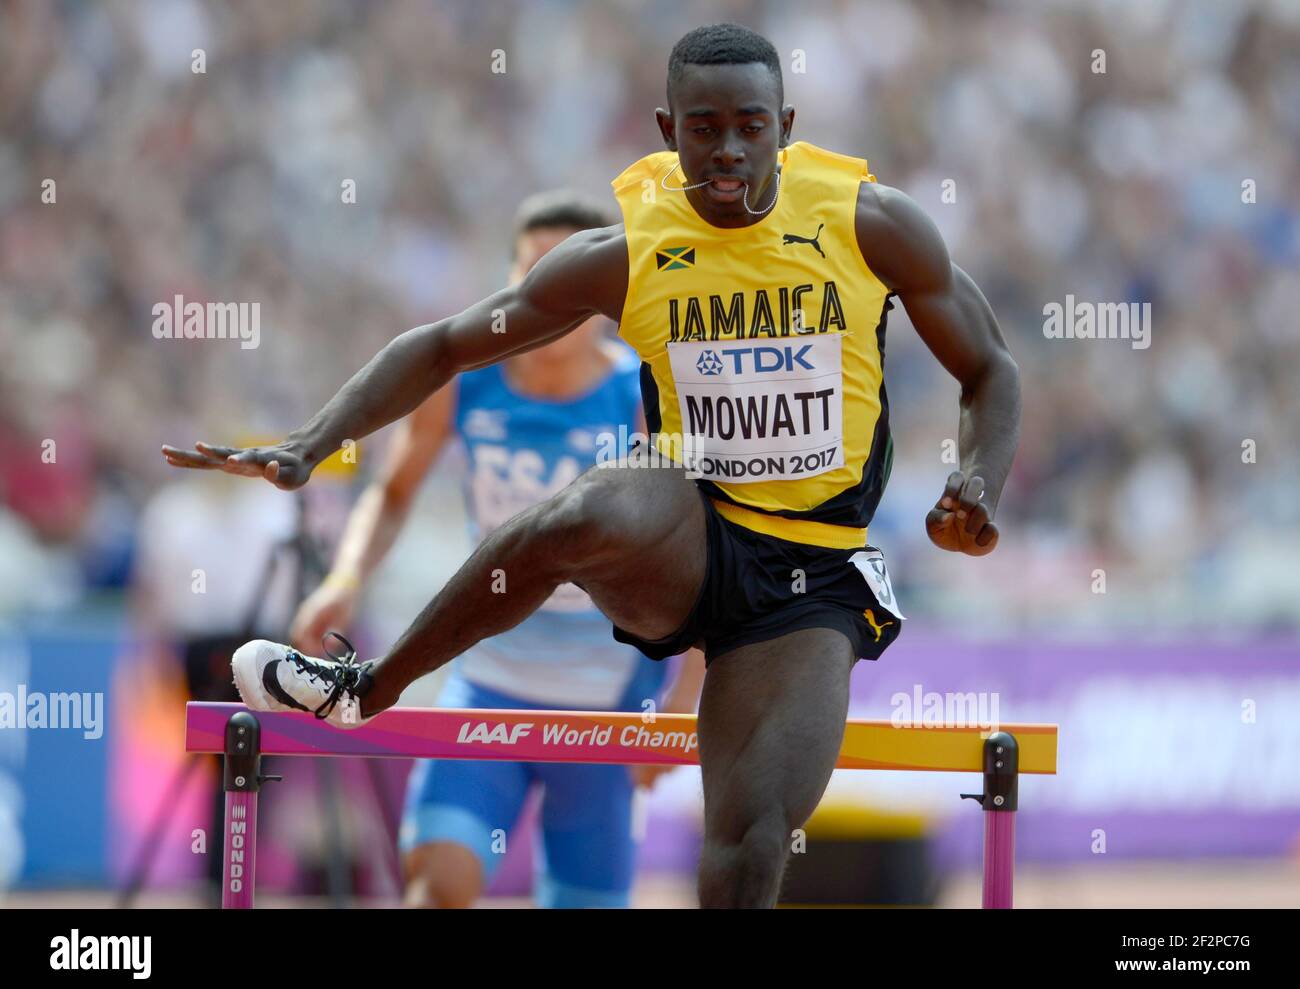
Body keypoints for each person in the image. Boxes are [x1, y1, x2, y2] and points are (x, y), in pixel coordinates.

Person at [163, 22, 1021, 908]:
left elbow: (990, 368)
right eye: (704, 128)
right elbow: (447, 345)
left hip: (809, 571)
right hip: (690, 526)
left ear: (785, 124)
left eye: (750, 127)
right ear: (666, 128)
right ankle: (363, 687)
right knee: (581, 515)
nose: (727, 151)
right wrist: (314, 441)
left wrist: (978, 478)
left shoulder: (869, 225)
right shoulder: (630, 252)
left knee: (750, 844)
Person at [287, 191, 704, 908]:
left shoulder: (643, 393)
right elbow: (391, 492)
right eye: (533, 273)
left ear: (603, 294)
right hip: (488, 679)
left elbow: (703, 551)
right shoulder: (460, 383)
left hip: (610, 700)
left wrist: (683, 702)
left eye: (569, 279)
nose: (550, 298)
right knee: (436, 888)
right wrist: (346, 577)